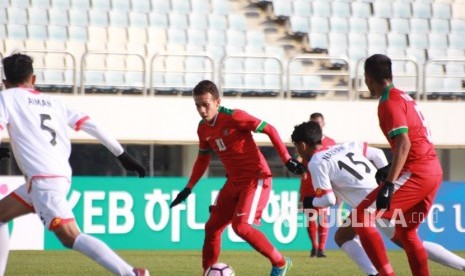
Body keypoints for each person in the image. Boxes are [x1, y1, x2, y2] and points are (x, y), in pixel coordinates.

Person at [0, 53, 149, 276]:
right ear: (34, 79)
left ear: (4, 82)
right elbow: (93, 126)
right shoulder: (55, 102)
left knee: (71, 236)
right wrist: (123, 156)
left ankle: (130, 273)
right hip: (54, 177)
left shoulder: (7, 97)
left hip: (44, 182)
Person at [291, 121, 465, 275]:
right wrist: (384, 180)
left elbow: (328, 200)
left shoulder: (316, 161)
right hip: (380, 195)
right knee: (343, 236)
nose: (297, 152)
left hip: (372, 205)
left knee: (409, 242)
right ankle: (373, 273)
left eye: (296, 148)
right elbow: (377, 154)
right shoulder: (346, 146)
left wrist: (309, 202)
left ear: (302, 145)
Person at [169, 80, 306, 276]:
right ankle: (207, 272)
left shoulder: (235, 117)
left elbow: (270, 129)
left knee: (240, 227)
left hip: (256, 179)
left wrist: (286, 159)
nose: (201, 109)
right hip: (233, 182)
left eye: (205, 104)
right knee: (212, 228)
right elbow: (202, 159)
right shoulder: (203, 128)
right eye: (197, 105)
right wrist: (189, 187)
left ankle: (280, 262)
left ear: (217, 101)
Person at [357, 54, 444, 276]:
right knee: (407, 232)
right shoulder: (404, 97)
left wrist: (389, 182)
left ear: (368, 78)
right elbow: (412, 140)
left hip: (416, 171)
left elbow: (404, 142)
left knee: (361, 217)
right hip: (432, 170)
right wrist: (392, 166)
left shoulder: (389, 102)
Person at [298, 112, 335, 258]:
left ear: (323, 124)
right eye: (312, 123)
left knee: (323, 217)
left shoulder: (330, 142)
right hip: (308, 184)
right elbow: (300, 158)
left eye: (318, 123)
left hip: (323, 184)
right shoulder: (303, 142)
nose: (315, 126)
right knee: (310, 217)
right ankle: (314, 247)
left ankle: (321, 248)